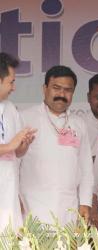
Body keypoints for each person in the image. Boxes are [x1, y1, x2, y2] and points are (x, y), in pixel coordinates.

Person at [19, 65, 93, 225]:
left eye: (68, 90)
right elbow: (13, 164)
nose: (62, 94)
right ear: (44, 88)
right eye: (56, 88)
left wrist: (86, 203)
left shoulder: (79, 124)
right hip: (32, 207)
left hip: (69, 210)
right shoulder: (25, 119)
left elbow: (86, 168)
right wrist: (14, 198)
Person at [0, 52, 36, 231]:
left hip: (8, 193)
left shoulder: (10, 109)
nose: (13, 88)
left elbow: (16, 153)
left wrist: (23, 145)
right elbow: (9, 147)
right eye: (11, 82)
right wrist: (10, 145)